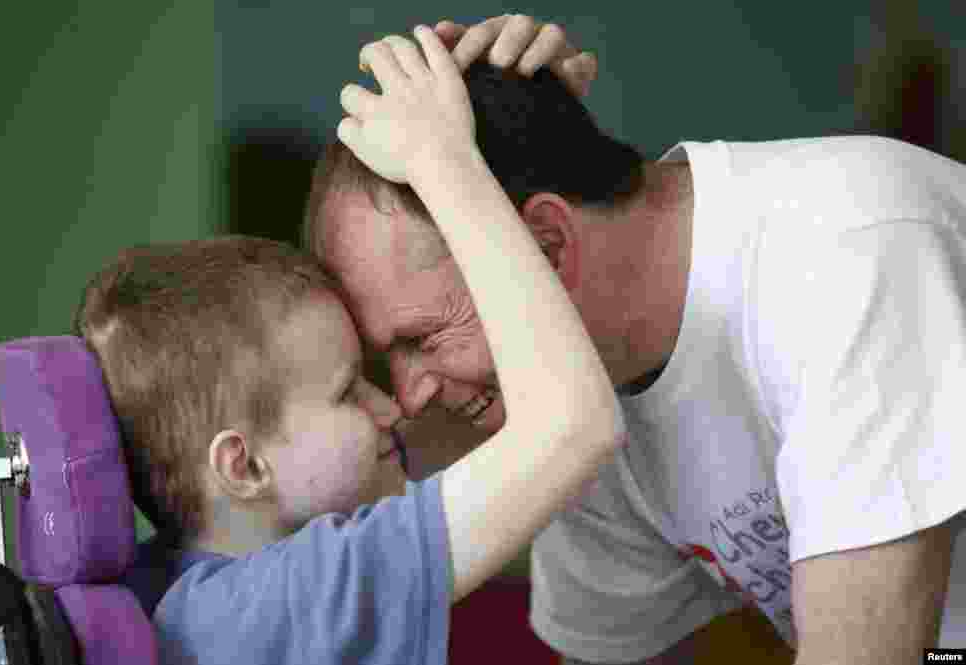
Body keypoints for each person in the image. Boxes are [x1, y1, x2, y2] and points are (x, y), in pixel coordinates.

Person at [305, 15, 966, 665]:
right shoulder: (572, 391)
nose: (411, 395)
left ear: (549, 244)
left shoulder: (848, 254)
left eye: (421, 337)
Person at [75, 25, 625, 665]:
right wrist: (447, 162)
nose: (393, 408)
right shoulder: (300, 594)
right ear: (244, 466)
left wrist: (527, 130)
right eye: (348, 391)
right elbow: (570, 427)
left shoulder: (172, 592)